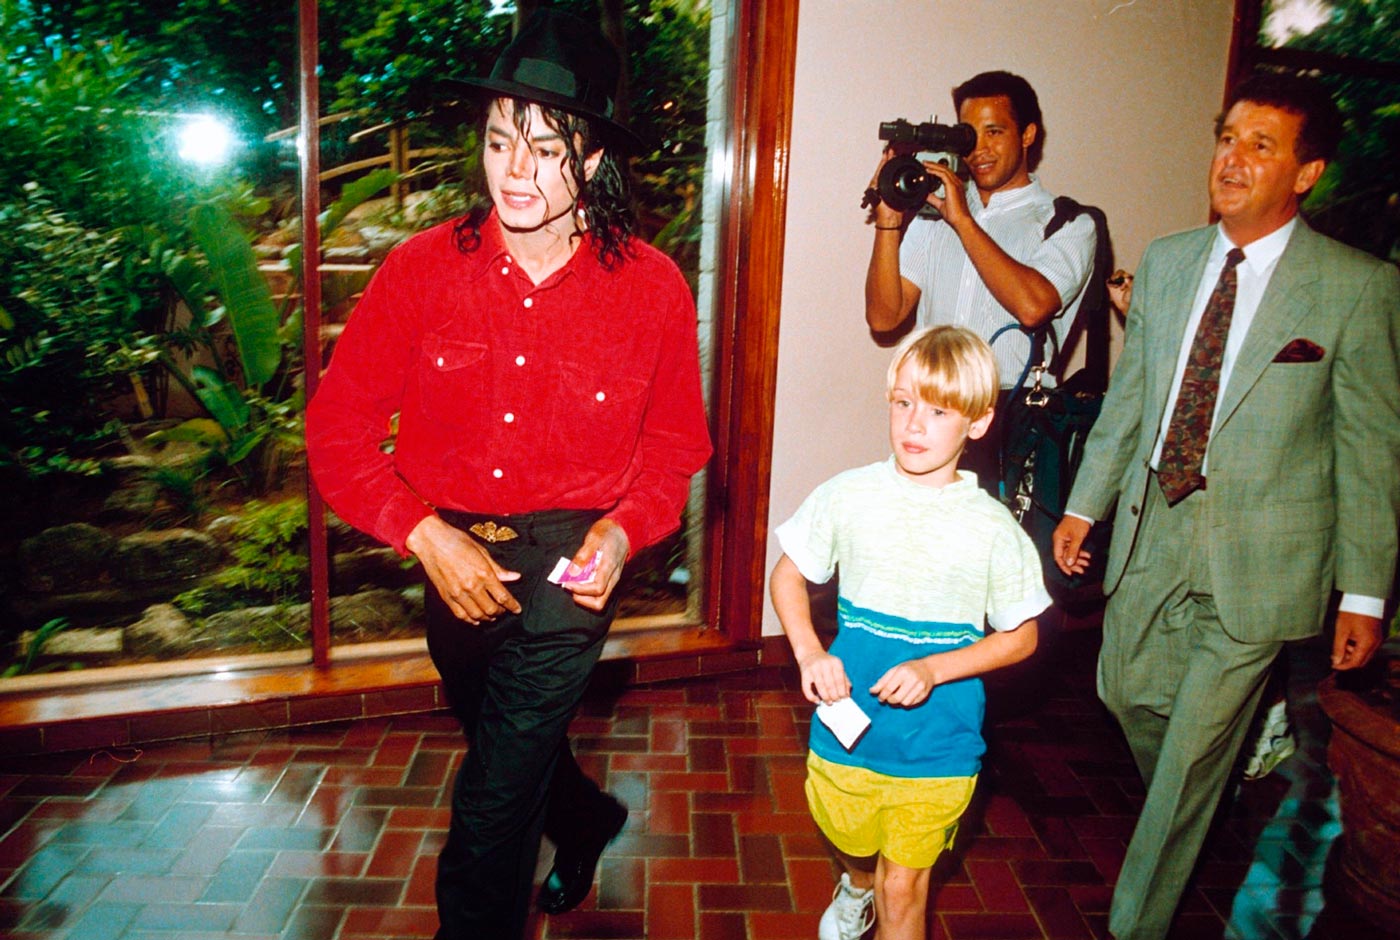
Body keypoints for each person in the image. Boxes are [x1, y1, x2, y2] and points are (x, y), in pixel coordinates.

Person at [304, 11, 711, 939]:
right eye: (499, 142)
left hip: (575, 561)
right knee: (505, 741)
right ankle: (588, 821)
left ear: (596, 160)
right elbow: (335, 430)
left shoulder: (651, 287)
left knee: (490, 807)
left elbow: (675, 449)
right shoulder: (418, 272)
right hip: (453, 549)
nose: (516, 171)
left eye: (546, 148)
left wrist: (620, 531)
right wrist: (423, 534)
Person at [1051, 72, 1400, 940]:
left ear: (1307, 171)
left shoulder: (1356, 287)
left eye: (1261, 145)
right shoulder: (1168, 262)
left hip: (1265, 558)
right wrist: (1083, 505)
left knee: (1187, 762)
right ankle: (1221, 765)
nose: (1233, 160)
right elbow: (1129, 402)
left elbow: (1371, 449)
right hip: (1151, 530)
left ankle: (1136, 923)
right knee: (1124, 693)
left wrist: (1364, 592)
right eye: (1227, 138)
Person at [770, 326, 1050, 940]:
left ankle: (878, 888)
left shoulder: (994, 529)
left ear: (976, 422)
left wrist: (934, 669)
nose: (913, 425)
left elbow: (1022, 637)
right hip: (847, 727)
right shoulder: (849, 495)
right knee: (851, 842)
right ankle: (855, 882)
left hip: (939, 741)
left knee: (906, 885)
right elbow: (787, 578)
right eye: (903, 403)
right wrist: (810, 652)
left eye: (937, 410)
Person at [864, 70, 1097, 486]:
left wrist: (964, 222)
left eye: (995, 132)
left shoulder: (1067, 222)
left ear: (1027, 135)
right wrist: (888, 222)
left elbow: (1033, 306)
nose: (981, 149)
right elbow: (884, 317)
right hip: (932, 411)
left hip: (1013, 421)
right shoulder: (936, 213)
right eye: (970, 135)